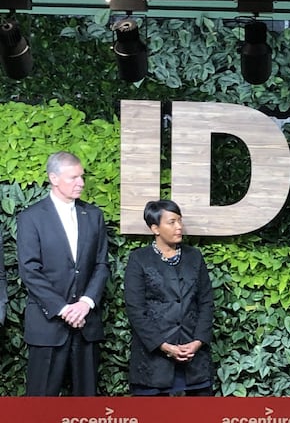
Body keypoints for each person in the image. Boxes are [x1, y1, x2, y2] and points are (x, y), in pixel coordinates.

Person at [17, 151, 110, 396]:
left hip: (86, 325)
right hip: (47, 326)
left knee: (86, 402)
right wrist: (64, 309)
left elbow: (101, 265)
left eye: (82, 176)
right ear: (54, 178)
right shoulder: (31, 218)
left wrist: (85, 304)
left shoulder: (94, 216)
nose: (81, 182)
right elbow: (30, 270)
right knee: (40, 405)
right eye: (73, 177)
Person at [124, 199, 214, 396]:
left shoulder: (194, 257)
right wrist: (164, 346)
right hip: (153, 363)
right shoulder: (139, 259)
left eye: (180, 221)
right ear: (155, 228)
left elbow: (206, 302)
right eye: (172, 222)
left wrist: (198, 341)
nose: (179, 227)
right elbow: (136, 310)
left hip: (194, 360)